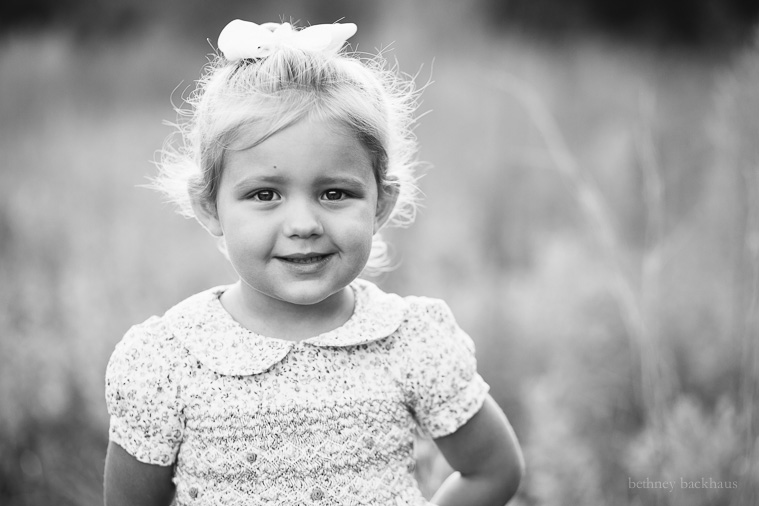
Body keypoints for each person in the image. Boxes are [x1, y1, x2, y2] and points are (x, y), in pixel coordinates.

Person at [104, 18, 524, 506]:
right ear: (209, 206)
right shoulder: (168, 363)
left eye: (334, 192)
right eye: (265, 193)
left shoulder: (410, 344)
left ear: (381, 205)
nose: (303, 223)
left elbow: (493, 471)